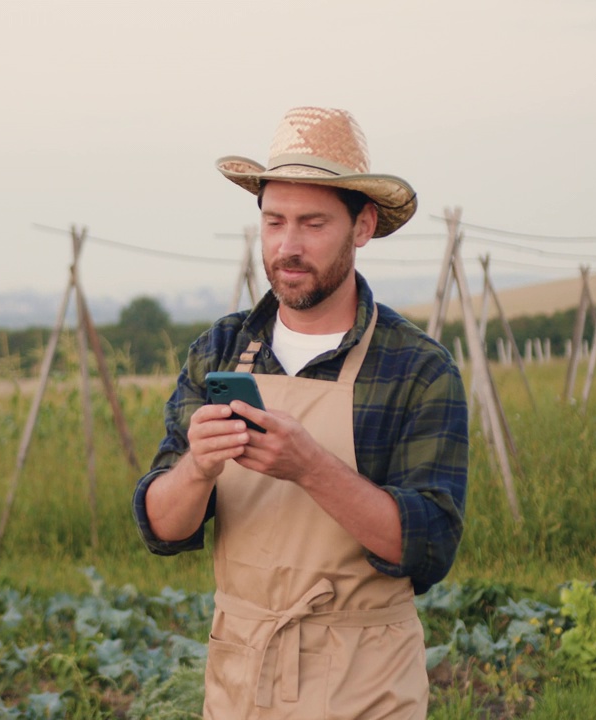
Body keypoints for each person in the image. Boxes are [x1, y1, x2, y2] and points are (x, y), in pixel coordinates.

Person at [131, 106, 468, 719]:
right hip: (242, 678)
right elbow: (161, 527)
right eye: (274, 221)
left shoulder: (416, 368)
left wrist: (311, 466)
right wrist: (199, 468)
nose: (288, 246)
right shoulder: (220, 350)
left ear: (362, 226)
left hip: (367, 683)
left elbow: (430, 547)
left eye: (313, 224)